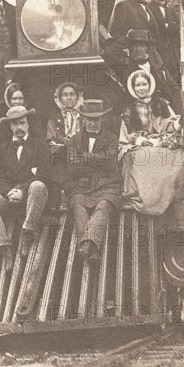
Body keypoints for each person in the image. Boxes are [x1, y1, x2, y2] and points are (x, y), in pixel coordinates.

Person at [0, 106, 51, 272]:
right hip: (10, 197)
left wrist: (22, 190)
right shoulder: (3, 149)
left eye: (22, 123)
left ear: (28, 125)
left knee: (38, 185)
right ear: (10, 127)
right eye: (15, 124)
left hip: (33, 198)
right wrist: (9, 192)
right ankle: (5, 248)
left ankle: (28, 233)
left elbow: (44, 174)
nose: (19, 127)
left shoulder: (40, 146)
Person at [119, 70, 184, 215]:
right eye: (137, 85)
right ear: (133, 88)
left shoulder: (161, 104)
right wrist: (140, 140)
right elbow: (126, 134)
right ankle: (146, 201)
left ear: (150, 85)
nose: (141, 88)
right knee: (143, 156)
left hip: (161, 142)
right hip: (140, 145)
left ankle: (166, 198)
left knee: (176, 155)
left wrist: (178, 125)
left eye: (144, 84)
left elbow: (170, 125)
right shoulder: (129, 108)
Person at [66, 99, 122, 263]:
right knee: (77, 203)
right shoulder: (74, 140)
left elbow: (111, 163)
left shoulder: (112, 139)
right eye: (89, 119)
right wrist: (98, 162)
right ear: (83, 119)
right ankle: (91, 248)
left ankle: (86, 243)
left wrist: (84, 158)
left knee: (103, 206)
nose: (92, 123)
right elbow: (72, 167)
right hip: (83, 185)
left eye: (96, 119)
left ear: (102, 119)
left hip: (107, 185)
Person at [103, 29, 181, 113]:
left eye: (142, 45)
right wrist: (127, 40)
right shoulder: (125, 67)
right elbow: (108, 53)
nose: (138, 49)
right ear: (129, 47)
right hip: (138, 111)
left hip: (162, 109)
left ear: (147, 48)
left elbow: (174, 88)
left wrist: (178, 112)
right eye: (134, 45)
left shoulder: (157, 66)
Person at [148, 0, 180, 75]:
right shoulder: (147, 8)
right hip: (157, 56)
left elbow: (177, 30)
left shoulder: (170, 11)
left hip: (173, 58)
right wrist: (168, 27)